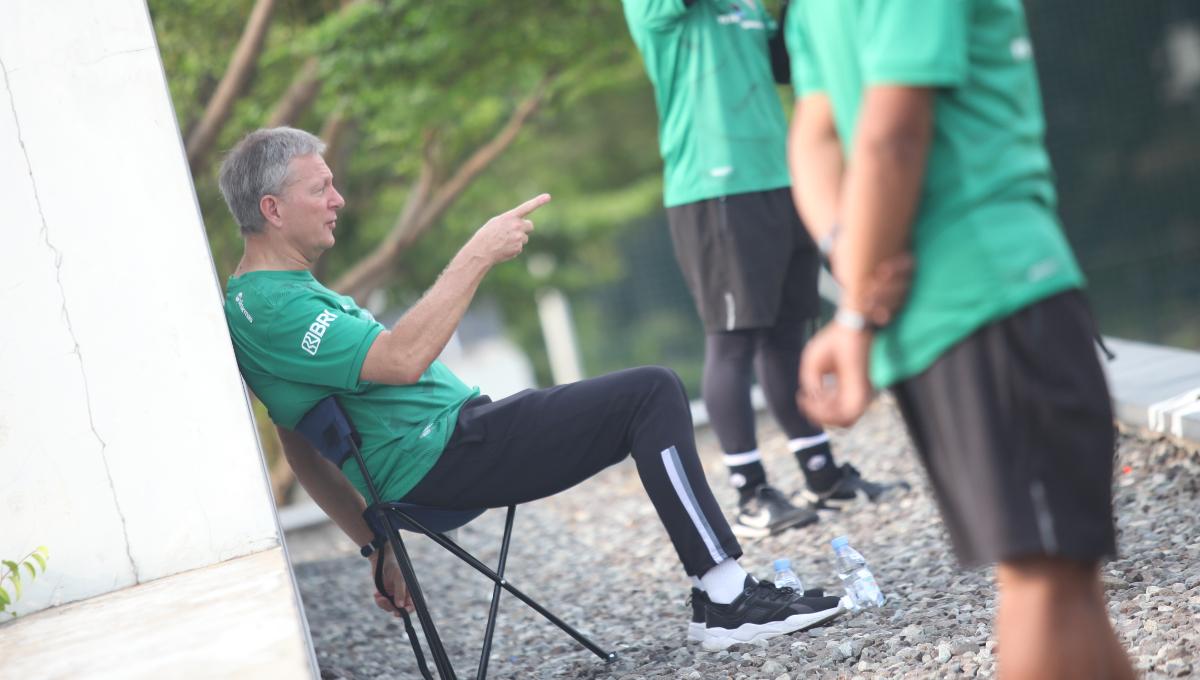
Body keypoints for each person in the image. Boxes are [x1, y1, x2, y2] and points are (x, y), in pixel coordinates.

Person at [216, 127, 842, 651]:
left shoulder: (272, 297)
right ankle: (728, 597)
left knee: (645, 394)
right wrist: (476, 256)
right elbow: (403, 360)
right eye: (320, 187)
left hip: (456, 446)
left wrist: (376, 543)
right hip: (450, 455)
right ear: (272, 209)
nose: (339, 199)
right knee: (650, 392)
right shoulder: (270, 307)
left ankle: (724, 590)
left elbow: (298, 442)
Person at [784, 2, 1134, 678]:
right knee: (1042, 588)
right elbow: (891, 134)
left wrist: (851, 262)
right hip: (999, 294)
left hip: (935, 324)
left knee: (1064, 584)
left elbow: (814, 137)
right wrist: (855, 313)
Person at [621, 0, 900, 539]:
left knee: (787, 335)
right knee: (733, 342)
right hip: (716, 187)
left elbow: (789, 59)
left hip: (781, 175)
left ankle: (822, 475)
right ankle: (750, 493)